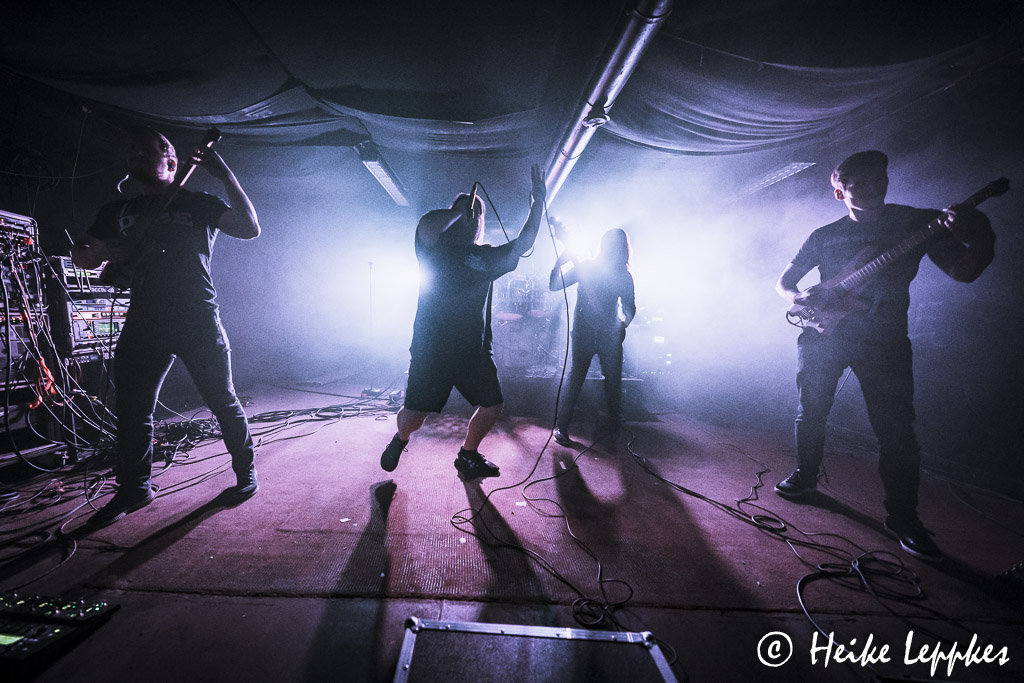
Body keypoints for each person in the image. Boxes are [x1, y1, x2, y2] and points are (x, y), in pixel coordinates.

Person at [774, 150, 996, 561]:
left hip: (884, 340)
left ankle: (903, 517)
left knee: (896, 431)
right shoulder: (823, 235)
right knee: (811, 411)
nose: (873, 187)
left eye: (879, 178)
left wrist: (981, 234)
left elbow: (964, 271)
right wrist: (798, 297)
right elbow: (784, 282)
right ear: (839, 192)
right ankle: (805, 476)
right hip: (824, 333)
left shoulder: (916, 222)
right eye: (859, 183)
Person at [72, 126, 261, 528]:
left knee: (221, 399)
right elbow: (82, 256)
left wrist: (225, 174)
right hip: (144, 317)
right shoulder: (116, 210)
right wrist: (100, 250)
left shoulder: (198, 201)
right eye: (131, 149)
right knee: (133, 408)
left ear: (172, 161)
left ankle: (246, 474)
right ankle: (134, 489)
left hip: (196, 314)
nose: (136, 154)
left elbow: (249, 228)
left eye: (146, 149)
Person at [379, 166, 547, 480]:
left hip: (472, 350)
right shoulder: (433, 248)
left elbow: (523, 243)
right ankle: (400, 438)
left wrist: (538, 204)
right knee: (415, 414)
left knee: (492, 404)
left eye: (475, 214)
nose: (472, 216)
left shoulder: (486, 256)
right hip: (432, 348)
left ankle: (468, 454)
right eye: (465, 212)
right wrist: (461, 210)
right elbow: (427, 224)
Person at [548, 223, 636, 446]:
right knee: (583, 378)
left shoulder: (622, 276)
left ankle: (607, 425)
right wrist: (561, 261)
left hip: (606, 335)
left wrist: (621, 325)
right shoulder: (589, 268)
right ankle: (562, 426)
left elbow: (630, 308)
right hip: (586, 333)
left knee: (607, 381)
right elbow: (555, 285)